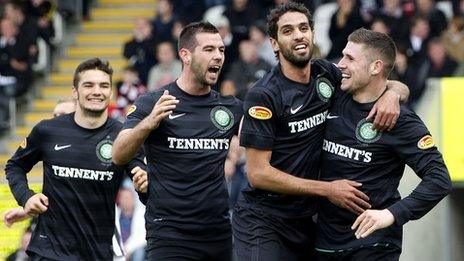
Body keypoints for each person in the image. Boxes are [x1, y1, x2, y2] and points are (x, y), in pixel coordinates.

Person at [232, 2, 409, 260]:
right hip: (264, 219)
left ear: (313, 34)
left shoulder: (325, 73)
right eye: (288, 30)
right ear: (274, 43)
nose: (299, 35)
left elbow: (388, 82)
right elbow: (258, 174)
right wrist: (327, 189)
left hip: (307, 220)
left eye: (304, 28)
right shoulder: (264, 95)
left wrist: (392, 95)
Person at [315, 28, 452, 261]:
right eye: (342, 56)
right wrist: (395, 91)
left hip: (374, 246)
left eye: (350, 58)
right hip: (324, 243)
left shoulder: (400, 120)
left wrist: (392, 214)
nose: (340, 64)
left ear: (375, 67)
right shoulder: (332, 96)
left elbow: (439, 178)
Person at [112, 22, 243, 261]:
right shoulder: (154, 101)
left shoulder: (230, 108)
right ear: (186, 55)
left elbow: (263, 144)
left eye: (221, 50)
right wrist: (149, 122)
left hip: (218, 233)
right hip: (169, 233)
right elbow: (119, 153)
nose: (218, 56)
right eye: (209, 49)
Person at [5, 58, 147, 260]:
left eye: (104, 85)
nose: (97, 91)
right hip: (49, 251)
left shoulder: (123, 136)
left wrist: (144, 181)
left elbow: (143, 181)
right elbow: (15, 165)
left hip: (97, 252)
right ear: (75, 91)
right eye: (88, 85)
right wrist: (26, 197)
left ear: (110, 92)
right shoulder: (48, 130)